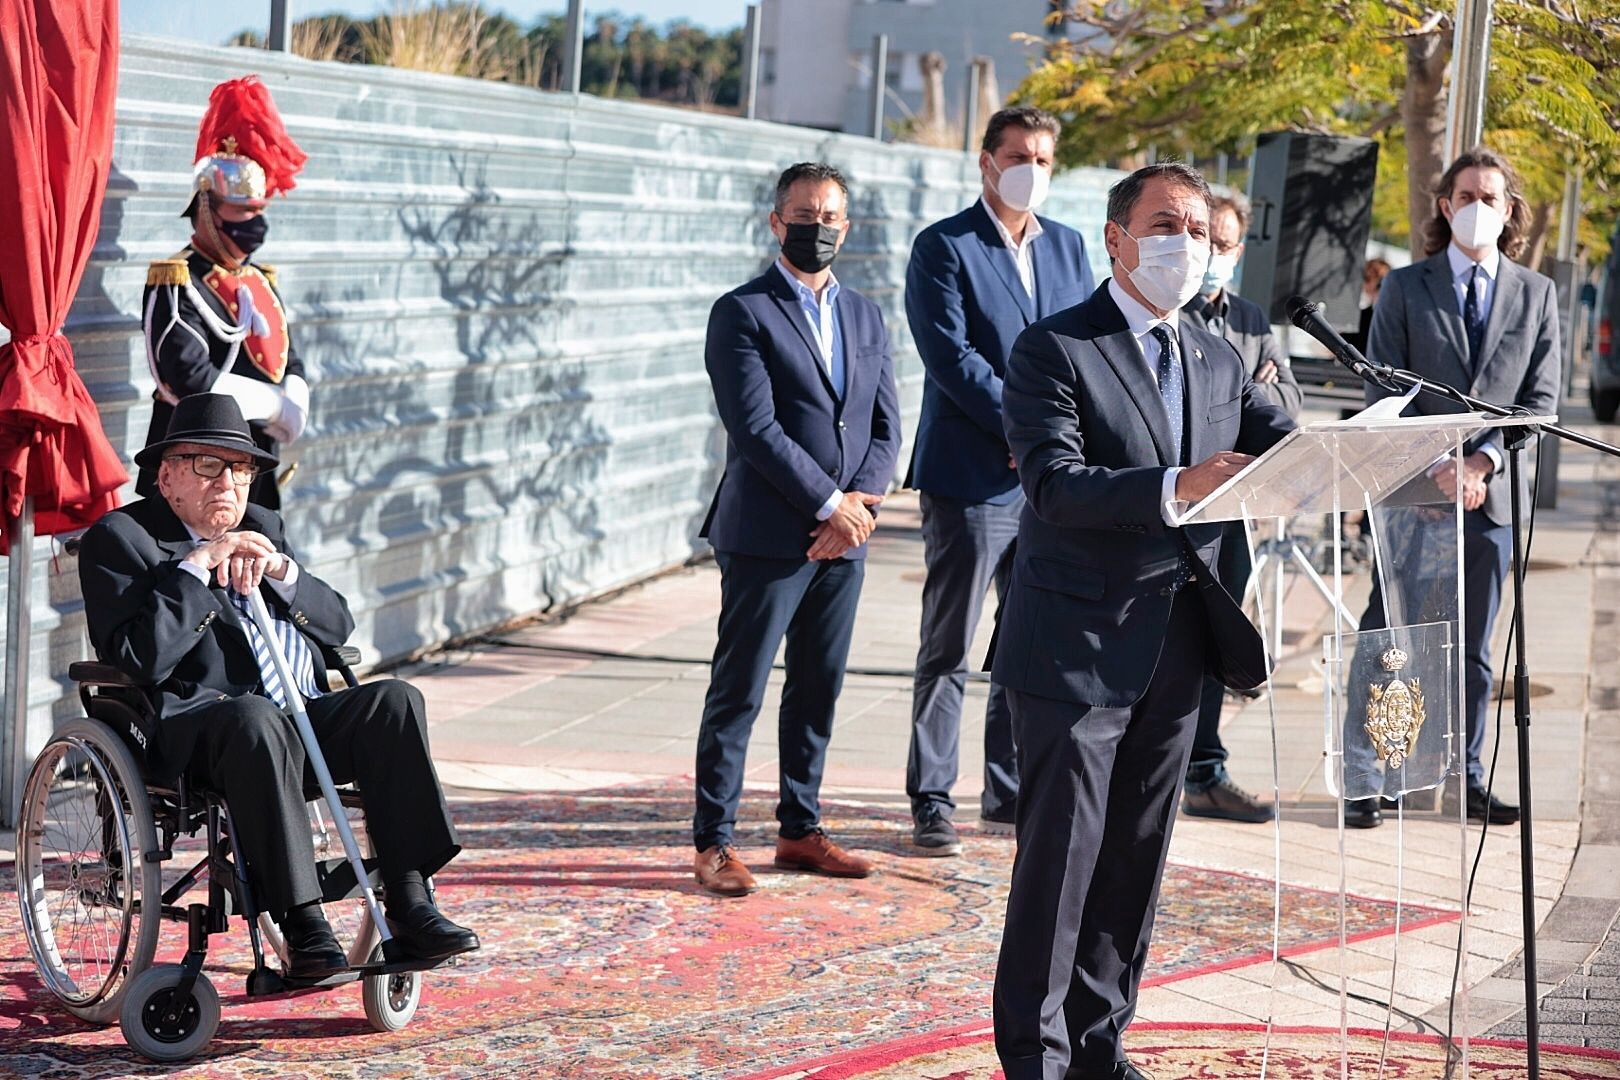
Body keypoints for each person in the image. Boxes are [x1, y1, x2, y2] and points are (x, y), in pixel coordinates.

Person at [990, 162, 1295, 1080]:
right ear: (1117, 237)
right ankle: (1036, 1061)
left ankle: (1099, 1047)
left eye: (1200, 229)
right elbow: (1053, 484)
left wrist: (1370, 452)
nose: (1187, 244)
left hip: (1178, 646)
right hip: (1077, 651)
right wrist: (1175, 487)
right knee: (1061, 870)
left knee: (1134, 861)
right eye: (1167, 224)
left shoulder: (1215, 351)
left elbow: (1283, 441)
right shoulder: (1055, 349)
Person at [79, 394, 479, 979]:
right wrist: (198, 567)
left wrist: (284, 574)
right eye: (209, 465)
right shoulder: (121, 539)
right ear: (166, 476)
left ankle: (412, 901)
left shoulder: (264, 527)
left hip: (296, 714)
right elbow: (140, 658)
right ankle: (303, 924)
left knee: (394, 701)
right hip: (201, 729)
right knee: (253, 718)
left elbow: (338, 625)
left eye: (241, 469)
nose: (230, 483)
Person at [691, 162, 902, 897]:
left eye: (833, 216)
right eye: (806, 215)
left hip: (846, 537)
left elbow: (884, 423)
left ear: (848, 226)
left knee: (819, 685)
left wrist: (860, 509)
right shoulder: (742, 311)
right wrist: (828, 505)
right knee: (739, 688)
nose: (821, 227)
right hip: (768, 536)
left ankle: (799, 829)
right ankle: (714, 842)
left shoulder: (868, 315)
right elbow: (754, 427)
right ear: (777, 223)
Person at [1342, 148, 1561, 829]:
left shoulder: (1537, 294)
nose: (1477, 208)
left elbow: (1540, 402)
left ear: (1508, 209)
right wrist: (1437, 462)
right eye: (1466, 195)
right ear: (1445, 205)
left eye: (1490, 198)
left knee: (1472, 650)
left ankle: (1463, 776)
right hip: (1413, 495)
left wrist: (1481, 464)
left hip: (1488, 502)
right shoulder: (1407, 287)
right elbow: (1385, 388)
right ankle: (1369, 778)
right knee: (1392, 638)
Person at [902, 106, 1095, 856]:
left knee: (1026, 644)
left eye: (1045, 158)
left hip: (1047, 483)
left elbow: (1078, 348)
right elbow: (949, 358)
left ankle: (1009, 790)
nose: (1033, 170)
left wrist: (1057, 438)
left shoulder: (1072, 248)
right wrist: (1022, 428)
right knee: (948, 644)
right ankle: (932, 796)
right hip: (973, 473)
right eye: (1020, 155)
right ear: (986, 161)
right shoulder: (944, 246)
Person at [1177, 191, 1302, 824]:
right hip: (1172, 506)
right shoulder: (1166, 311)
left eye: (1226, 244)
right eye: (1206, 240)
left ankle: (1203, 767)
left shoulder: (1252, 320)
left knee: (1215, 642)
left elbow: (1285, 405)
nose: (1214, 254)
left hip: (1234, 516)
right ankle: (1168, 767)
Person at [138, 76, 312, 511]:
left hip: (257, 462)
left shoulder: (260, 278)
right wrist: (274, 405)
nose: (253, 223)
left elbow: (285, 351)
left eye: (257, 211)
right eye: (240, 211)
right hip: (195, 467)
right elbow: (186, 377)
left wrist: (296, 393)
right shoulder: (177, 279)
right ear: (206, 208)